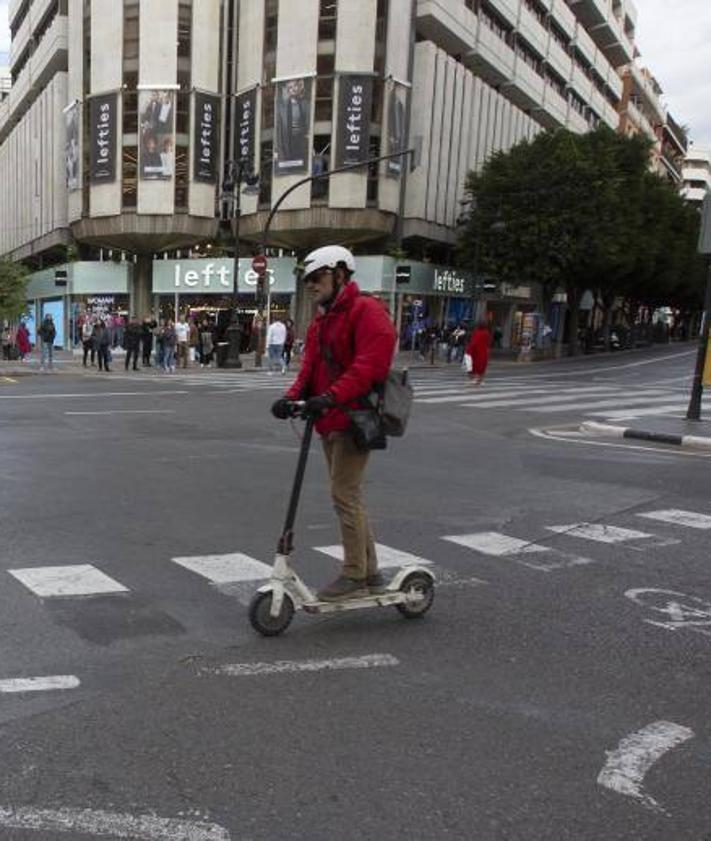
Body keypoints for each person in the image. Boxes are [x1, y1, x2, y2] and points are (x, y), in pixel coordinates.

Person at [271, 246, 396, 601]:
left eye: (316, 277)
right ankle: (369, 572)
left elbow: (370, 365)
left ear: (340, 274)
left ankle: (355, 573)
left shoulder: (366, 311)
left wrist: (332, 395)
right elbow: (310, 368)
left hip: (356, 418)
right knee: (349, 495)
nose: (310, 285)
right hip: (328, 419)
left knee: (344, 494)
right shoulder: (322, 319)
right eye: (307, 280)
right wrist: (291, 398)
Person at [466, 320, 491, 386]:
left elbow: (473, 341)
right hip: (483, 351)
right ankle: (481, 380)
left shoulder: (476, 332)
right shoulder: (486, 333)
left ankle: (475, 379)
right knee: (482, 365)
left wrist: (469, 349)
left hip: (476, 350)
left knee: (474, 365)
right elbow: (488, 342)